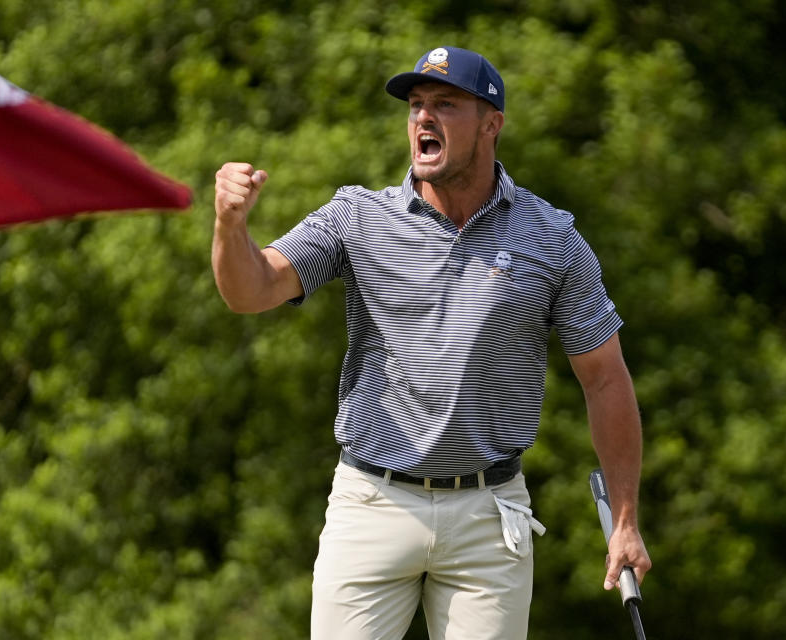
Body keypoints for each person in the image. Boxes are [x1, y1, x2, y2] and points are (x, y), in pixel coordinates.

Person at [215, 45, 652, 639]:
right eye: (416, 105)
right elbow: (253, 289)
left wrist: (625, 519)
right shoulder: (356, 218)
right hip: (373, 502)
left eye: (445, 105)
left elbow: (605, 378)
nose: (424, 117)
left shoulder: (551, 239)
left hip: (488, 514)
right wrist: (229, 226)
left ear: (491, 124)